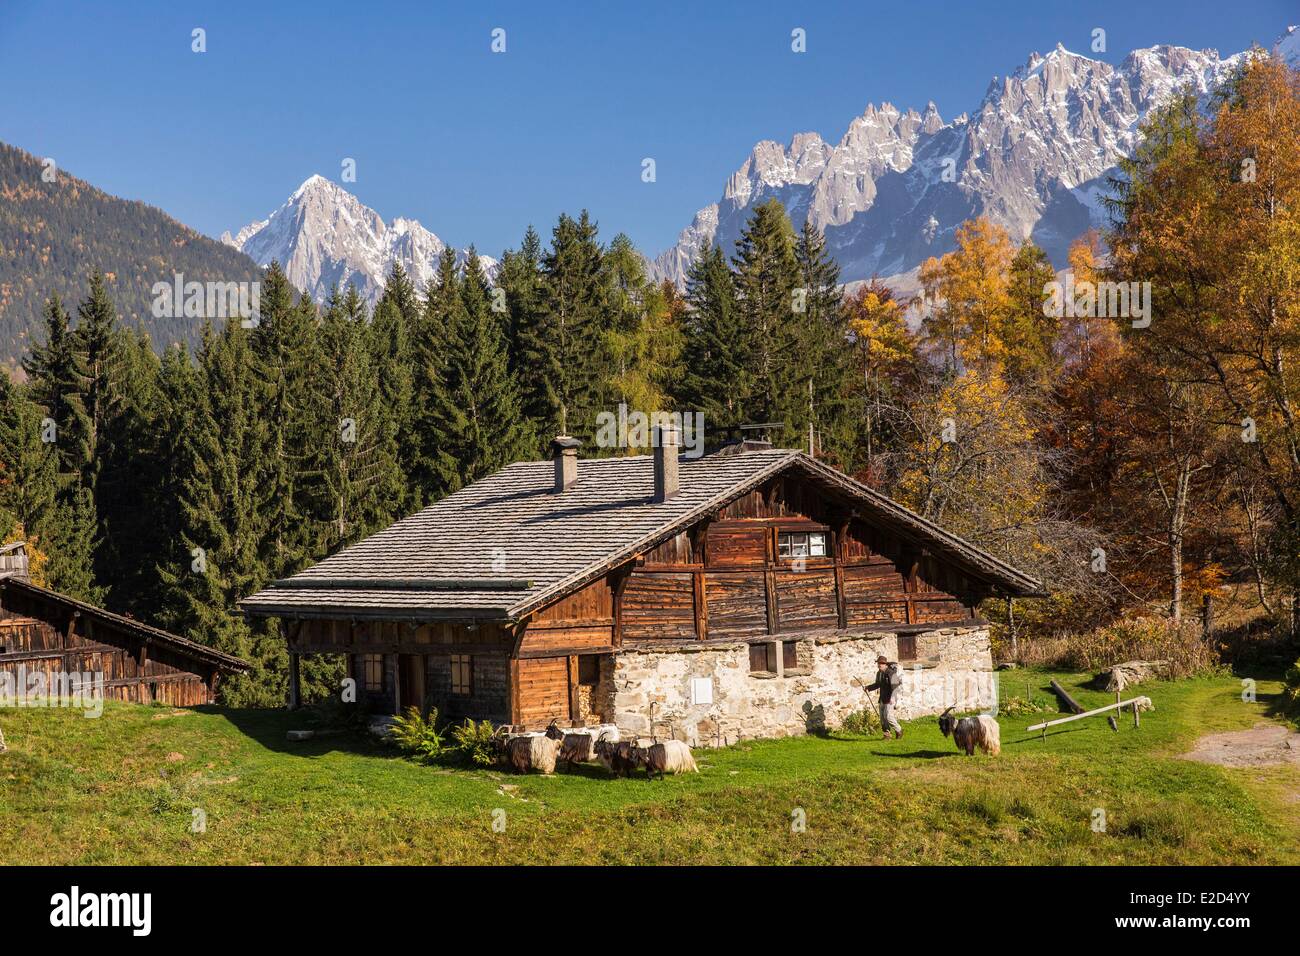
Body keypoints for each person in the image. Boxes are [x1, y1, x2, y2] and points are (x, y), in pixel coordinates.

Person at [865, 654, 903, 739]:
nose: (879, 665)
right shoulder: (879, 673)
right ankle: (887, 735)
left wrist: (893, 698)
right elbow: (877, 684)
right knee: (882, 718)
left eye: (881, 663)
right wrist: (868, 687)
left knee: (889, 717)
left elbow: (896, 686)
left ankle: (899, 730)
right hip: (882, 698)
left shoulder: (891, 673)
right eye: (878, 663)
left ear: (885, 664)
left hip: (890, 698)